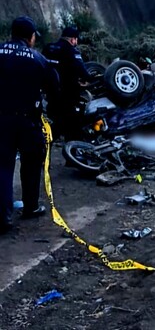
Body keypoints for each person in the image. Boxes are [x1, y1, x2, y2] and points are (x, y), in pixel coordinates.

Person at [0, 16, 59, 234]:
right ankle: (31, 207)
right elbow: (55, 87)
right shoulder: (37, 58)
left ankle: (2, 216)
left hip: (1, 120)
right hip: (28, 121)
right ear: (31, 37)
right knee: (32, 162)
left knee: (3, 166)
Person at [43, 27, 92, 140]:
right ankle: (72, 150)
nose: (76, 42)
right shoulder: (72, 51)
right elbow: (82, 71)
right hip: (67, 94)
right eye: (76, 39)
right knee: (72, 125)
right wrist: (91, 79)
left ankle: (48, 142)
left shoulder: (49, 48)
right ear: (72, 39)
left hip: (50, 94)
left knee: (56, 119)